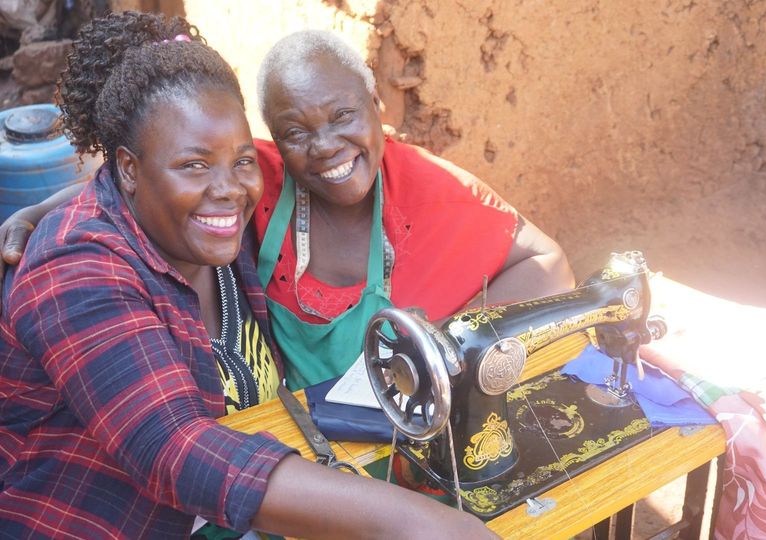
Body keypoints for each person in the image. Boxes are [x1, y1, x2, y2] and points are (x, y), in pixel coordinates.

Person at [0, 12, 496, 540]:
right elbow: (174, 450)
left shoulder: (228, 235)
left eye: (241, 161)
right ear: (127, 168)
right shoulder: (75, 270)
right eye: (194, 165)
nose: (229, 188)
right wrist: (420, 526)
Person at [0, 29, 575, 392]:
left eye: (344, 116)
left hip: (402, 422)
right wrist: (39, 211)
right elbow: (149, 179)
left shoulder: (429, 190)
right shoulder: (261, 178)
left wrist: (446, 349)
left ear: (377, 107)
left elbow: (548, 261)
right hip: (296, 439)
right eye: (296, 131)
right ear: (272, 138)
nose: (324, 146)